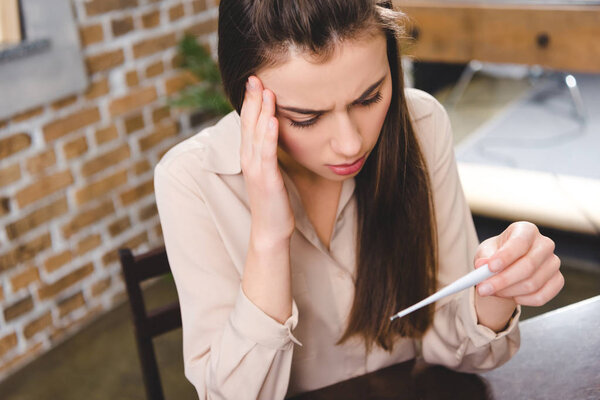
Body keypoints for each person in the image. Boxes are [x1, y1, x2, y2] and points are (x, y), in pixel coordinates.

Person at [154, 1, 564, 398]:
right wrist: (268, 238)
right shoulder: (192, 179)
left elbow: (459, 349)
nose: (351, 144)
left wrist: (499, 285)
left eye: (369, 98)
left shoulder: (422, 125)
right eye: (306, 118)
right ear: (241, 98)